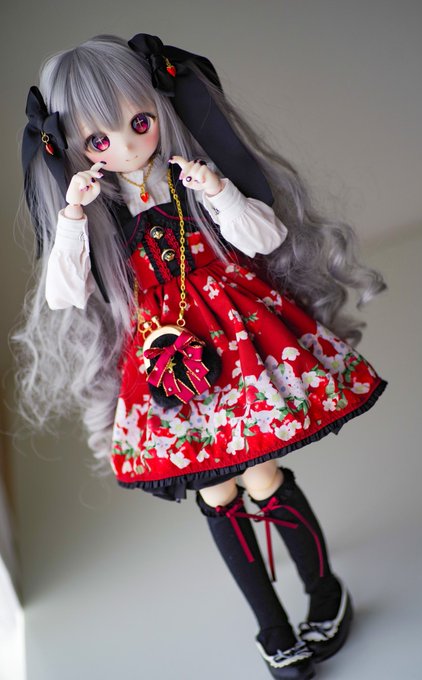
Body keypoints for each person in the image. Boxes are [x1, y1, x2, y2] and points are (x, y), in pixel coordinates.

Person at [17, 33, 387, 679]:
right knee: (215, 493)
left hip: (236, 337)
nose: (126, 146)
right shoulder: (99, 211)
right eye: (99, 140)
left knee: (263, 477)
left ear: (160, 107)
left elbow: (264, 236)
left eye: (139, 123)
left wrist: (218, 190)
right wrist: (72, 216)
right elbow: (64, 295)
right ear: (74, 146)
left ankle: (326, 595)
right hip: (167, 359)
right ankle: (272, 627)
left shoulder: (189, 175)